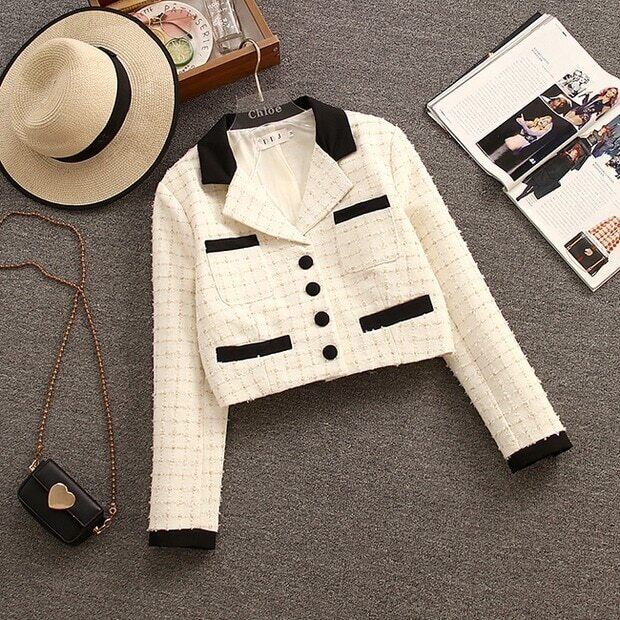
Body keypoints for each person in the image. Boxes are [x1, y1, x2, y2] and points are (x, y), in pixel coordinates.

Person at [516, 140, 590, 200]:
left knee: (535, 187)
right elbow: (553, 161)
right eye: (573, 151)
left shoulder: (571, 163)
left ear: (576, 155)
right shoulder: (564, 155)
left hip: (550, 176)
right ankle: (521, 195)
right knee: (531, 184)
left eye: (575, 153)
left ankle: (522, 196)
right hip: (546, 171)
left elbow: (562, 172)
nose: (573, 153)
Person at [489, 114, 553, 161]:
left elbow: (530, 132)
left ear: (547, 126)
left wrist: (523, 124)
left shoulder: (541, 132)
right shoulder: (532, 123)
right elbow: (519, 121)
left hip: (519, 146)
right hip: (513, 140)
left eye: (546, 122)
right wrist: (521, 120)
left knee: (502, 156)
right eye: (544, 119)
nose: (543, 121)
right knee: (498, 152)